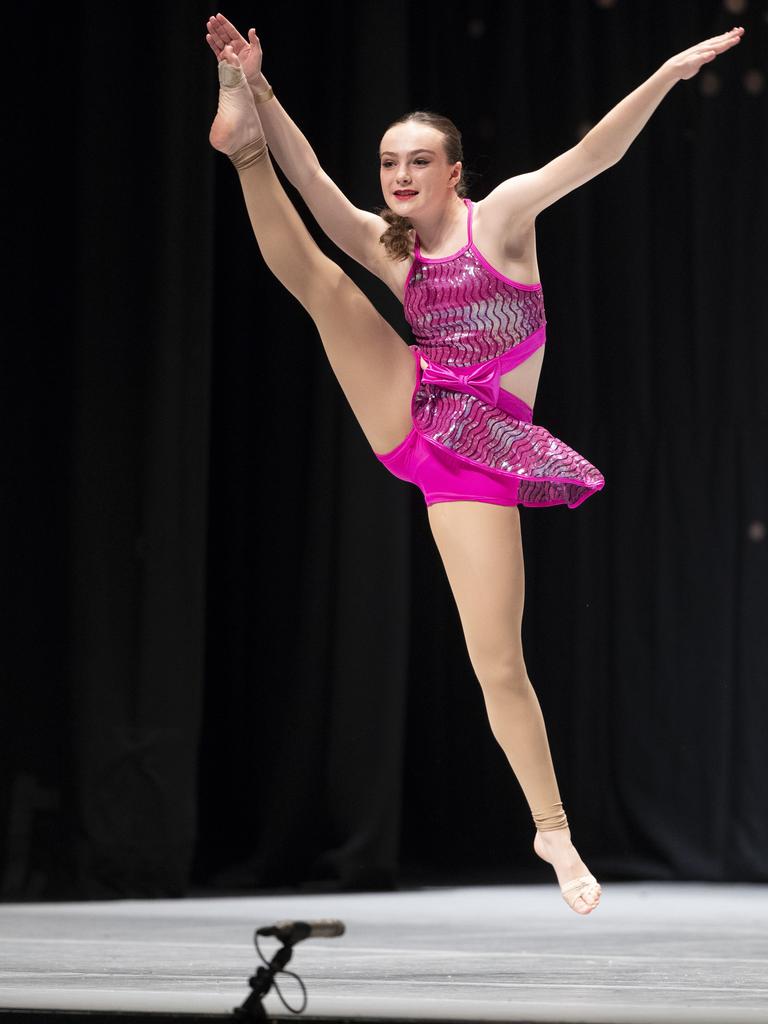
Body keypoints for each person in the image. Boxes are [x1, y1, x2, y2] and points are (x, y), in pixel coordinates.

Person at [205, 14, 743, 913]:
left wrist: (665, 74)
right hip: (413, 406)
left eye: (416, 162)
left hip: (481, 453)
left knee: (497, 661)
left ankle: (553, 829)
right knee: (324, 282)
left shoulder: (503, 219)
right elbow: (320, 189)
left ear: (454, 172)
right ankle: (236, 148)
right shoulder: (396, 248)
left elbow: (593, 155)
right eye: (388, 164)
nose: (398, 177)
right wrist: (256, 91)